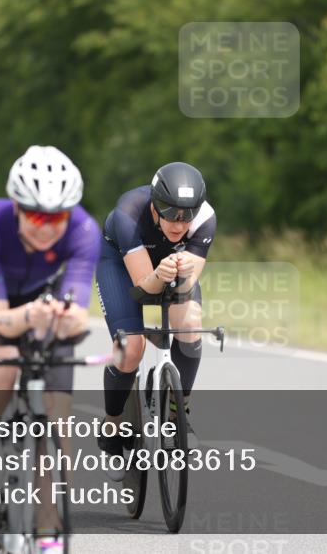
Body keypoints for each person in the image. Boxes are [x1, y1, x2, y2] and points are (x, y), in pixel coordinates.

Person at [0, 146, 100, 553]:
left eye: (57, 217)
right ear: (16, 207)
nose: (47, 227)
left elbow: (78, 308)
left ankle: (49, 534)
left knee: (58, 420)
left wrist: (69, 318)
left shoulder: (84, 231)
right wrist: (30, 315)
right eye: (36, 216)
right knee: (3, 365)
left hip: (39, 298)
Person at [96, 162, 216, 476]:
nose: (179, 224)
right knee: (131, 348)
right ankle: (112, 428)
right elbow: (142, 291)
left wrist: (180, 276)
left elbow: (187, 285)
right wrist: (159, 276)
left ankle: (180, 411)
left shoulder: (205, 219)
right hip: (121, 267)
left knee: (189, 321)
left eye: (186, 215)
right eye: (170, 213)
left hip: (167, 270)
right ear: (154, 204)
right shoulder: (128, 213)